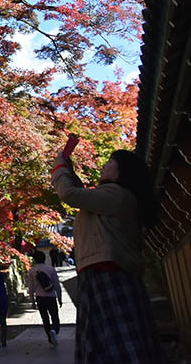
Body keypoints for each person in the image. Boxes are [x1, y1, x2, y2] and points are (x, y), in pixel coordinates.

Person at [52, 138, 163, 362]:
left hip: (107, 276)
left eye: (110, 161)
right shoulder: (114, 197)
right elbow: (83, 196)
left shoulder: (116, 194)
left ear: (122, 170)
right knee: (119, 345)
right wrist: (70, 173)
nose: (105, 165)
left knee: (111, 347)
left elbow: (70, 195)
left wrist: (59, 169)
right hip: (105, 276)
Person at [28, 250, 62, 347]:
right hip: (51, 297)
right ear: (45, 258)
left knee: (45, 318)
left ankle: (50, 338)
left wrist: (32, 301)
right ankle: (54, 331)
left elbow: (31, 287)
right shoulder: (51, 269)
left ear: (34, 260)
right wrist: (59, 298)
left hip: (40, 297)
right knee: (55, 317)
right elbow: (56, 284)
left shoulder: (32, 270)